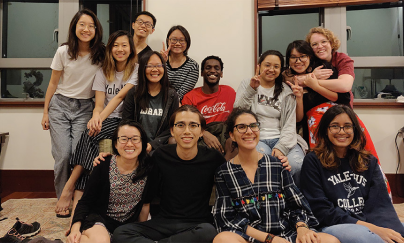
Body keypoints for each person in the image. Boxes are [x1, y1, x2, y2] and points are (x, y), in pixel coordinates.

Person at [212, 108, 339, 243]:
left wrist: (302, 228)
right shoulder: (224, 172)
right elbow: (227, 219)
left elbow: (297, 205)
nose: (249, 131)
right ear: (232, 135)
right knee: (223, 239)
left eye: (253, 126)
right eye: (241, 127)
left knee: (330, 240)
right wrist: (270, 239)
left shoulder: (277, 165)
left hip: (286, 235)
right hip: (251, 238)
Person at [285, 39, 391, 196]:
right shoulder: (287, 79)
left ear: (310, 56)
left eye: (303, 56)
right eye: (293, 57)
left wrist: (315, 84)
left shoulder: (323, 68)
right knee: (328, 164)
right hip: (316, 125)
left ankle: (377, 196)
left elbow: (342, 98)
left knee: (361, 155)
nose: (298, 61)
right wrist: (303, 85)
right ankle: (337, 199)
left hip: (341, 116)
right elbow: (298, 118)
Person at [111, 105, 227, 243]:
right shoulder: (161, 155)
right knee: (120, 233)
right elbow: (135, 164)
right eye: (180, 125)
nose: (187, 131)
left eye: (193, 125)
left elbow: (232, 174)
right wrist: (110, 158)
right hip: (163, 223)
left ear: (202, 131)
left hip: (196, 226)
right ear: (172, 130)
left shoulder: (213, 158)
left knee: (209, 232)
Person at [55, 30, 138, 219]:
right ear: (110, 48)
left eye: (124, 45)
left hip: (124, 121)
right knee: (95, 150)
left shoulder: (136, 70)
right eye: (116, 45)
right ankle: (79, 207)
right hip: (105, 120)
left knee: (91, 134)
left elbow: (118, 97)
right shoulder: (103, 71)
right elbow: (99, 104)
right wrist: (95, 117)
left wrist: (98, 120)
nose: (120, 49)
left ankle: (70, 188)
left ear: (131, 49)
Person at [300, 105, 404, 243]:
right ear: (326, 130)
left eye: (347, 126)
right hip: (333, 224)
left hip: (366, 221)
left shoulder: (369, 161)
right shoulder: (312, 161)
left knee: (398, 232)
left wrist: (391, 230)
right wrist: (373, 229)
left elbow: (381, 205)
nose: (342, 132)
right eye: (335, 126)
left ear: (355, 130)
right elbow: (321, 210)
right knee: (367, 238)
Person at [41, 9, 105, 216]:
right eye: (82, 25)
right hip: (59, 106)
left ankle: (78, 196)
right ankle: (63, 197)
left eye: (91, 26)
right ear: (74, 27)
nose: (86, 29)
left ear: (96, 30)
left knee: (80, 156)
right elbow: (52, 83)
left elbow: (125, 57)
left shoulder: (101, 53)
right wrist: (45, 112)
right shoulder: (63, 51)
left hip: (85, 107)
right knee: (62, 155)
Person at [67, 120, 152, 243]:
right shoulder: (103, 165)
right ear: (116, 144)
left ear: (143, 143)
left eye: (135, 139)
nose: (129, 144)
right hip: (100, 220)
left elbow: (145, 204)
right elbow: (85, 202)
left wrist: (142, 231)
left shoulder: (149, 168)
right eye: (123, 139)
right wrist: (75, 228)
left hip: (126, 226)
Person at [234, 50, 307, 187]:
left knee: (297, 165)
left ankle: (294, 203)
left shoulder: (286, 90)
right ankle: (270, 203)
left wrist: (282, 147)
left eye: (276, 66)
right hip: (256, 138)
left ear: (281, 69)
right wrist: (251, 89)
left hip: (283, 138)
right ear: (259, 66)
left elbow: (291, 123)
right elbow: (238, 112)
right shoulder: (247, 83)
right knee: (265, 165)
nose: (271, 70)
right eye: (267, 65)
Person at [122, 51, 179, 152]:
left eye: (158, 65)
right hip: (136, 145)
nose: (155, 69)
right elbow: (127, 122)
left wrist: (153, 144)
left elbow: (172, 126)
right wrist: (138, 143)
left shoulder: (171, 95)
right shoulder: (134, 93)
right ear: (142, 69)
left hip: (160, 146)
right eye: (150, 66)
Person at [182, 55, 236, 159]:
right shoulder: (190, 97)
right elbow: (186, 123)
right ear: (202, 73)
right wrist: (204, 133)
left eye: (217, 68)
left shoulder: (230, 92)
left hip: (225, 133)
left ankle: (224, 172)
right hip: (201, 134)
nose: (212, 71)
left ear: (221, 73)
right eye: (208, 68)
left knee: (234, 143)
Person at [160, 25, 199, 101]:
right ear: (168, 41)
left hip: (178, 104)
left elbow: (181, 93)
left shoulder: (192, 66)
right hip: (156, 102)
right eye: (174, 39)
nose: (178, 43)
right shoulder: (160, 60)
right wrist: (161, 63)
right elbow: (153, 84)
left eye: (182, 40)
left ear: (187, 42)